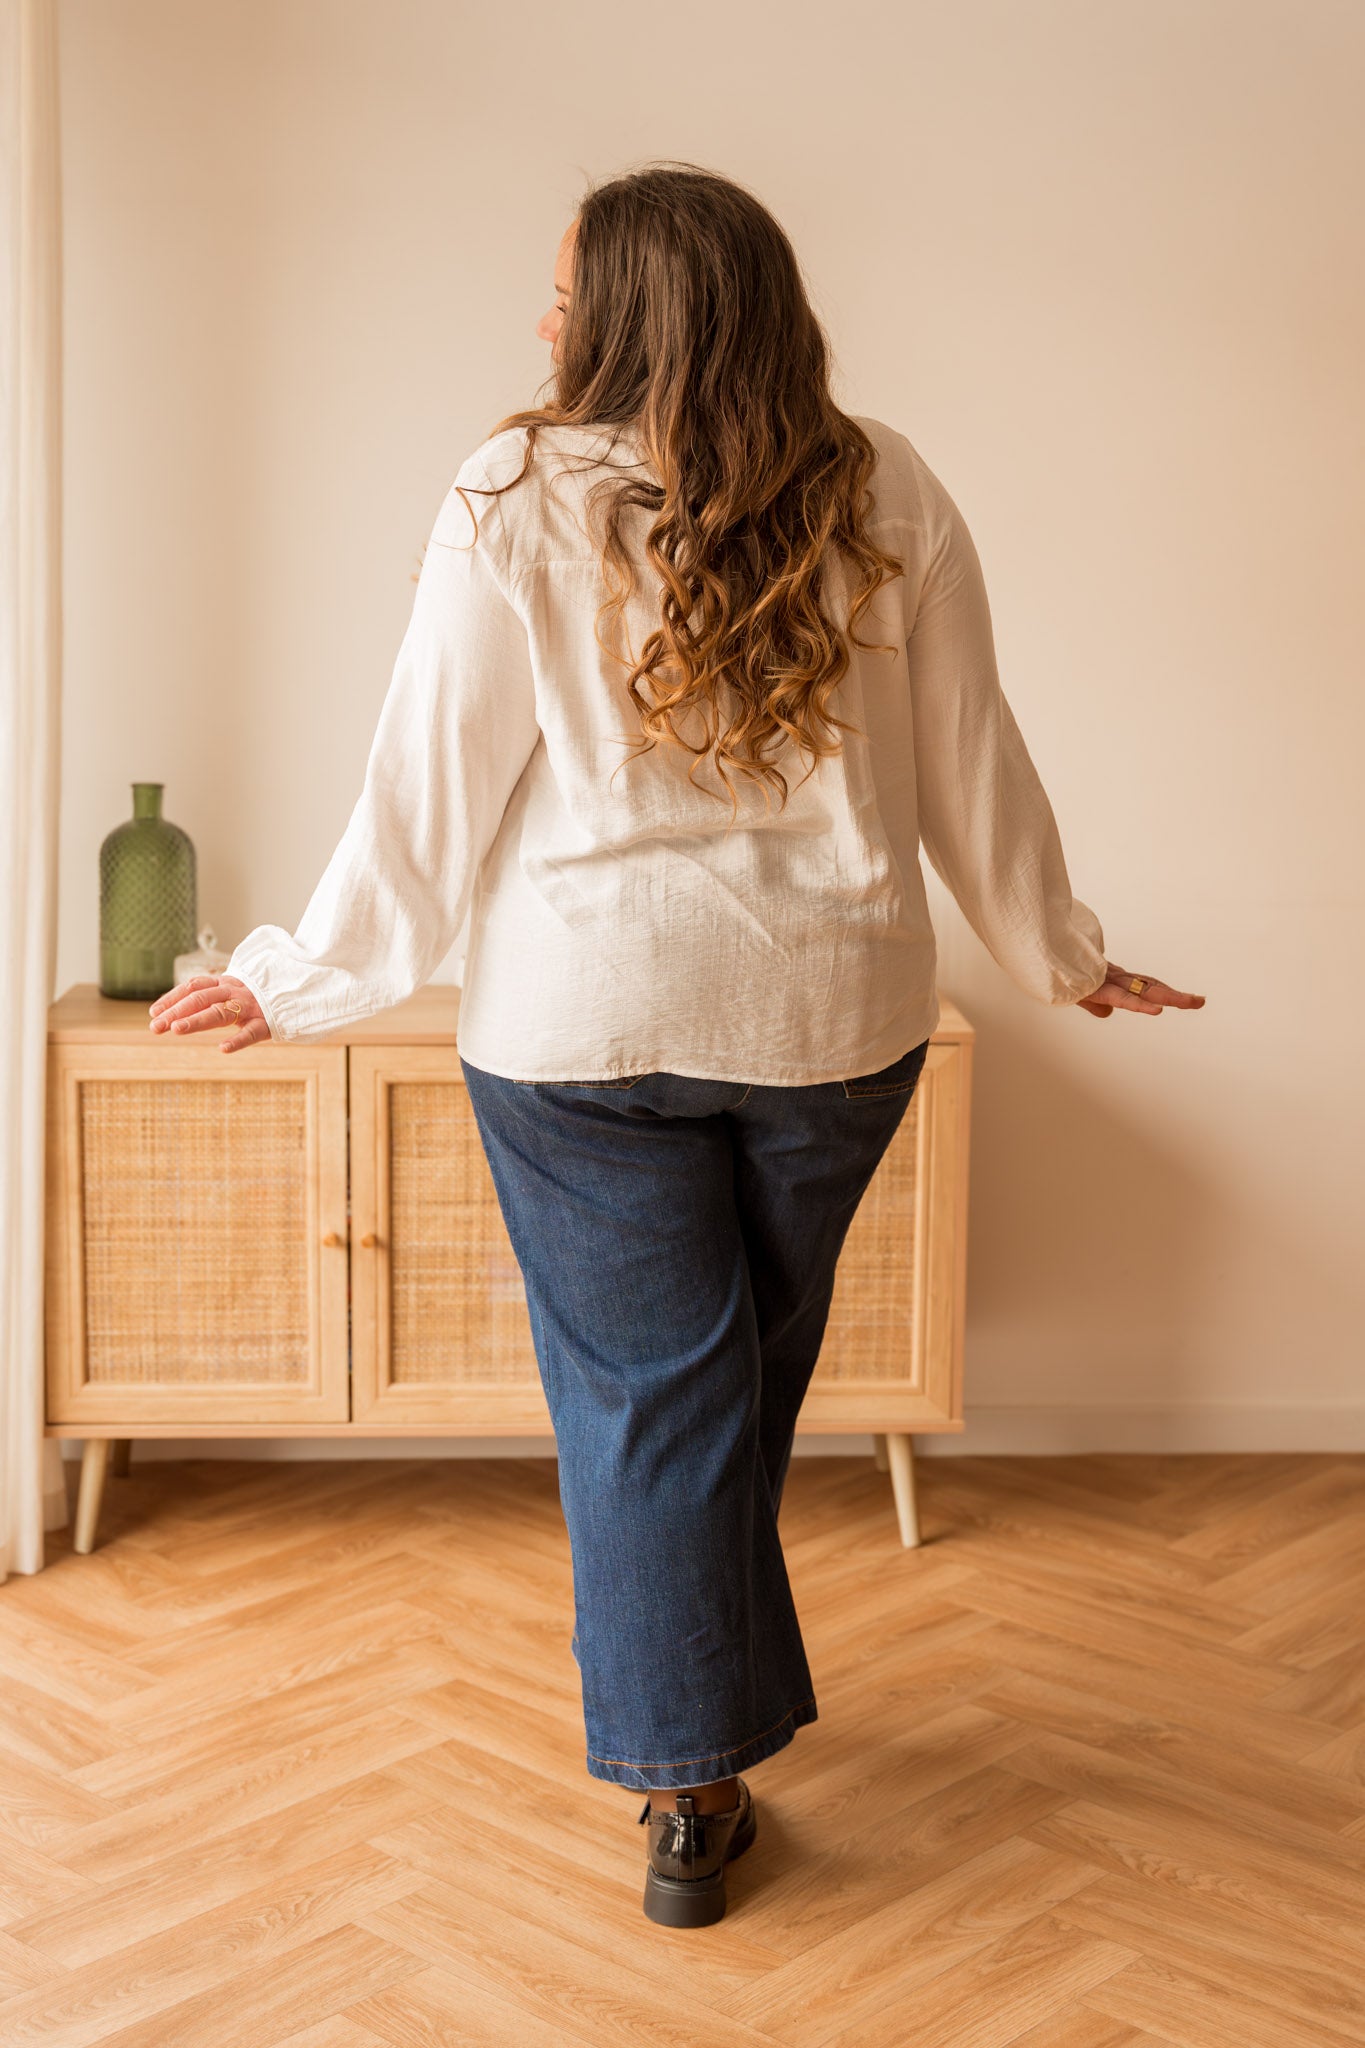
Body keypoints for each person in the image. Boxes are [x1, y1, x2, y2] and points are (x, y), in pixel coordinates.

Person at [147, 160, 1205, 1927]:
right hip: (832, 1025)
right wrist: (1054, 952)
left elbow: (428, 775)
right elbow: (975, 761)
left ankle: (688, 1788)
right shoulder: (883, 483)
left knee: (665, 1413)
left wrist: (308, 972)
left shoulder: (513, 492)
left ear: (637, 314)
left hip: (585, 1032)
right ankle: (697, 1749)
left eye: (565, 293)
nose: (540, 319)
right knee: (722, 1405)